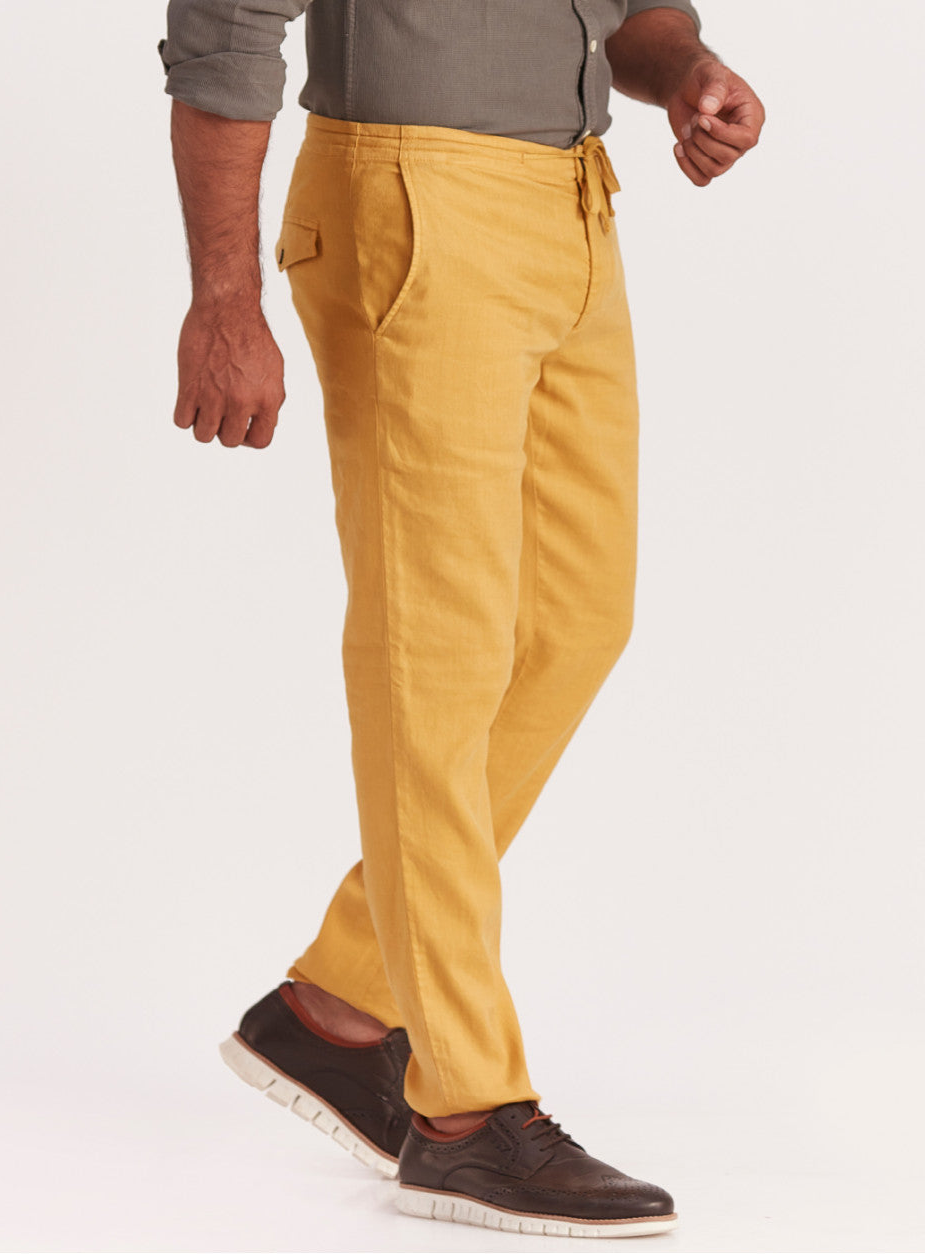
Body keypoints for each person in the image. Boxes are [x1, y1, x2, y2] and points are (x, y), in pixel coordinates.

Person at [158, 0, 764, 1237]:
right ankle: (464, 1116)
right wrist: (224, 295)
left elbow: (632, 16)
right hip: (413, 198)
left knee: (574, 620)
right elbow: (225, 19)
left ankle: (342, 1004)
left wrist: (685, 68)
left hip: (574, 201)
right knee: (434, 656)